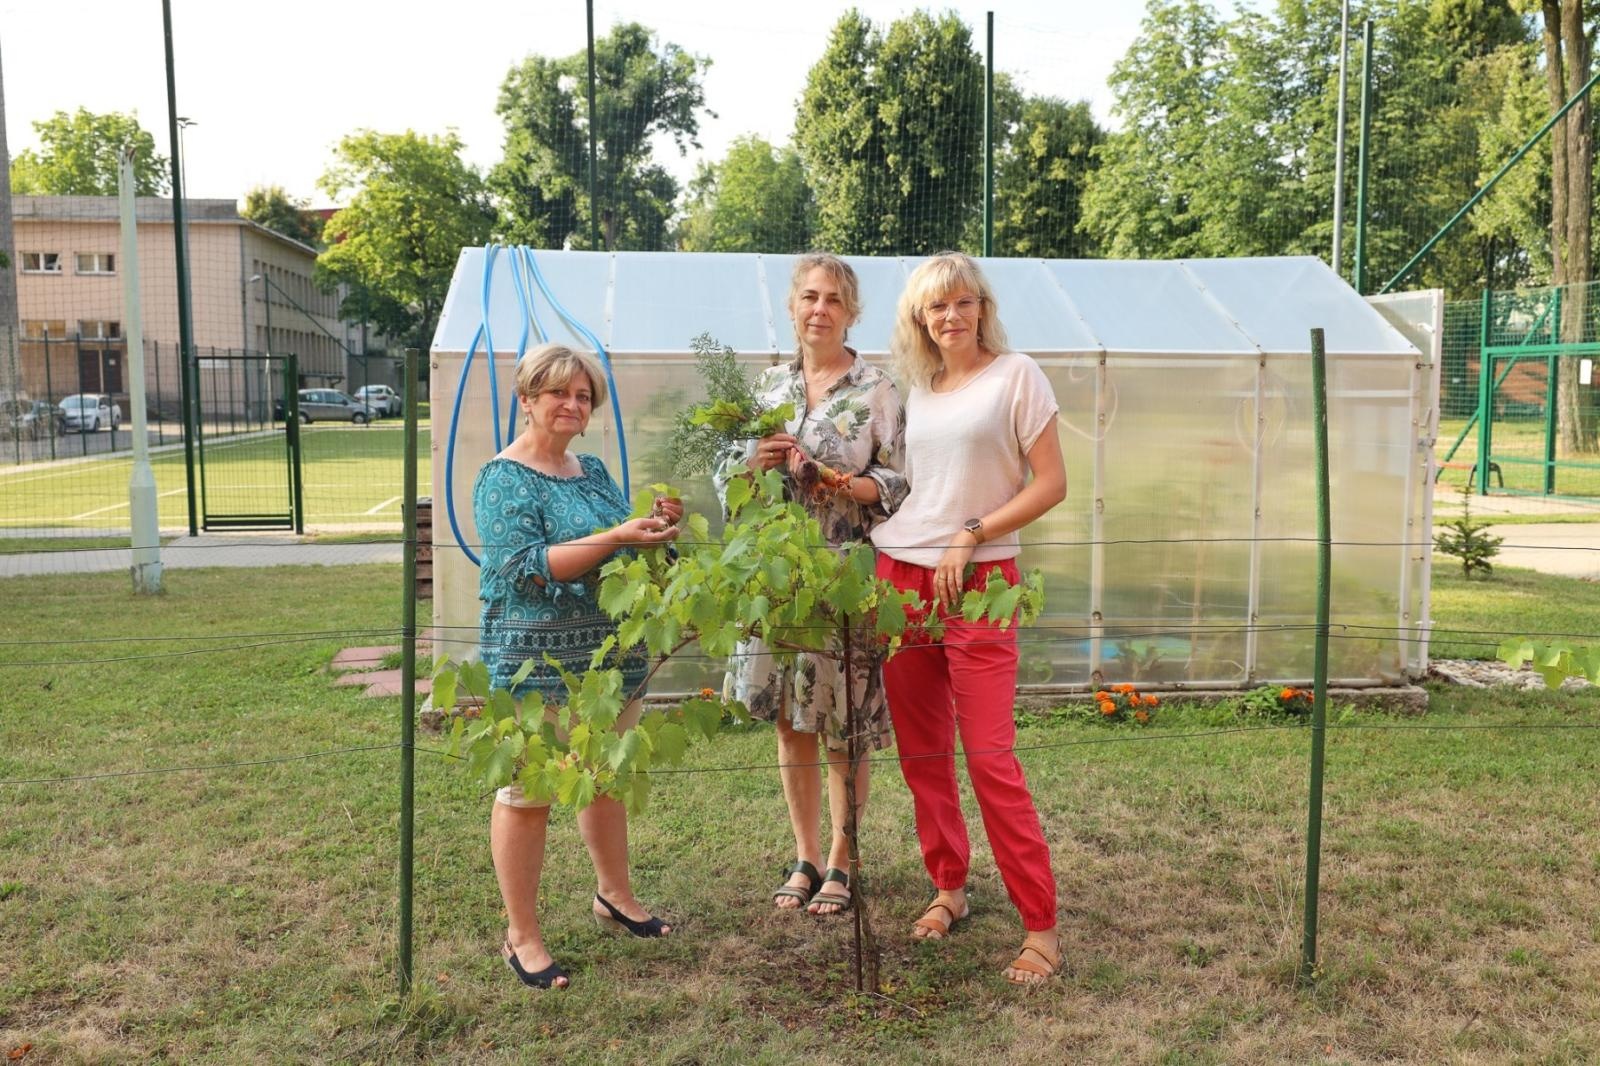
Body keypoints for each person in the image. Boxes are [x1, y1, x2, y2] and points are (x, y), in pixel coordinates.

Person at [869, 252, 1067, 985]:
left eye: (961, 303)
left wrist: (972, 531)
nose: (950, 317)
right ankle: (949, 885)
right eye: (934, 308)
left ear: (981, 306)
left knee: (989, 758)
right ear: (919, 321)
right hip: (902, 577)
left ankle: (1040, 926)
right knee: (923, 754)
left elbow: (1052, 484)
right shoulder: (916, 392)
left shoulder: (1017, 375)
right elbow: (904, 487)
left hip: (981, 580)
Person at [474, 341, 683, 989]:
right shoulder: (503, 478)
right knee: (528, 795)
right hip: (535, 668)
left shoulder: (589, 470)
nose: (572, 404)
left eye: (583, 395)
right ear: (527, 398)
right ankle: (522, 935)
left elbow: (618, 552)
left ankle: (614, 896)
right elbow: (526, 569)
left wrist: (650, 529)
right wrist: (618, 537)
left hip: (609, 660)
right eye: (558, 392)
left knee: (607, 778)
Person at [713, 252, 907, 916]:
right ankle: (802, 857)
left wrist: (839, 483)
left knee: (840, 724)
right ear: (792, 307)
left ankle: (842, 862)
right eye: (808, 297)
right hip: (773, 577)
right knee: (791, 721)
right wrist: (750, 458)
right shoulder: (766, 389)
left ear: (851, 313)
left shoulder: (876, 389)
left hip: (840, 576)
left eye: (832, 299)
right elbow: (727, 479)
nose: (818, 309)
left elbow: (899, 481)